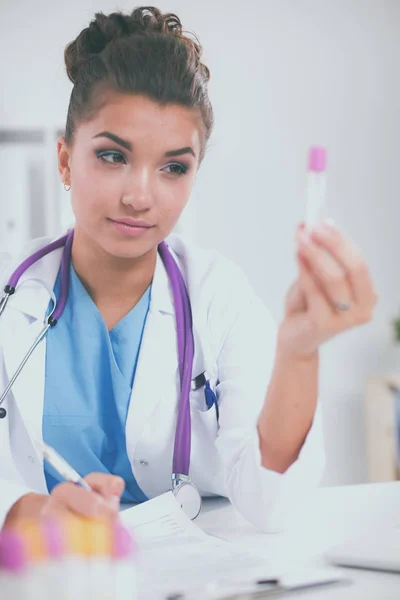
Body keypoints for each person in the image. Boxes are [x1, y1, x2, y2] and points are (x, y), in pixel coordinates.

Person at [0, 6, 377, 532]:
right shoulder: (10, 292)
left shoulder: (219, 298)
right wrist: (22, 510)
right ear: (65, 159)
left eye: (174, 167)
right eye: (113, 157)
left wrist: (300, 350)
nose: (139, 196)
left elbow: (271, 503)